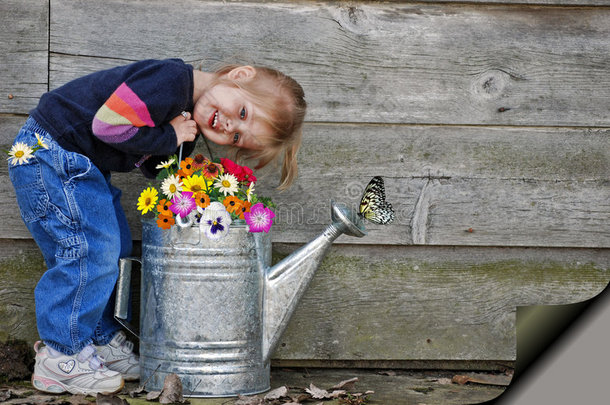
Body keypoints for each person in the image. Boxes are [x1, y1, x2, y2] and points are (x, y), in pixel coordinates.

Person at [7, 58, 306, 395]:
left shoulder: (187, 117)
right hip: (51, 152)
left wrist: (185, 163)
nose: (227, 128)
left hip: (80, 164)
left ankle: (100, 339)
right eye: (242, 113)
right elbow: (108, 126)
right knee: (89, 252)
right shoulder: (172, 81)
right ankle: (62, 354)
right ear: (239, 76)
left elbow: (150, 164)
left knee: (115, 246)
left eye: (237, 136)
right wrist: (169, 135)